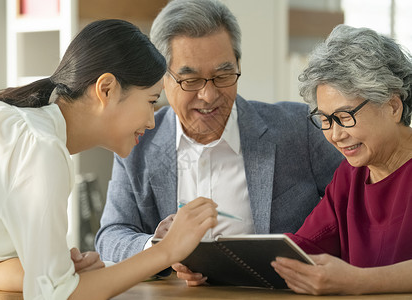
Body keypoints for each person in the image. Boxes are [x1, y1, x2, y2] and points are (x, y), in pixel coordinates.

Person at [0, 19, 219, 299]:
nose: (151, 121)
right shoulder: (40, 148)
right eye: (150, 101)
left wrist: (62, 273)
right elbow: (59, 296)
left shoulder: (31, 133)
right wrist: (167, 251)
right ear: (106, 89)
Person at [95, 0, 343, 284]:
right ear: (162, 78)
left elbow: (359, 202)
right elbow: (111, 234)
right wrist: (159, 249)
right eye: (191, 80)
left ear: (238, 64)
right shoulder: (139, 141)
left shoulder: (299, 129)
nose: (209, 95)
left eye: (222, 76)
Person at [270, 24, 412, 295]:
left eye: (345, 117)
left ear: (393, 107)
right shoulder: (349, 176)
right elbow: (301, 250)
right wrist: (211, 262)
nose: (335, 135)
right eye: (325, 120)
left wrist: (359, 282)